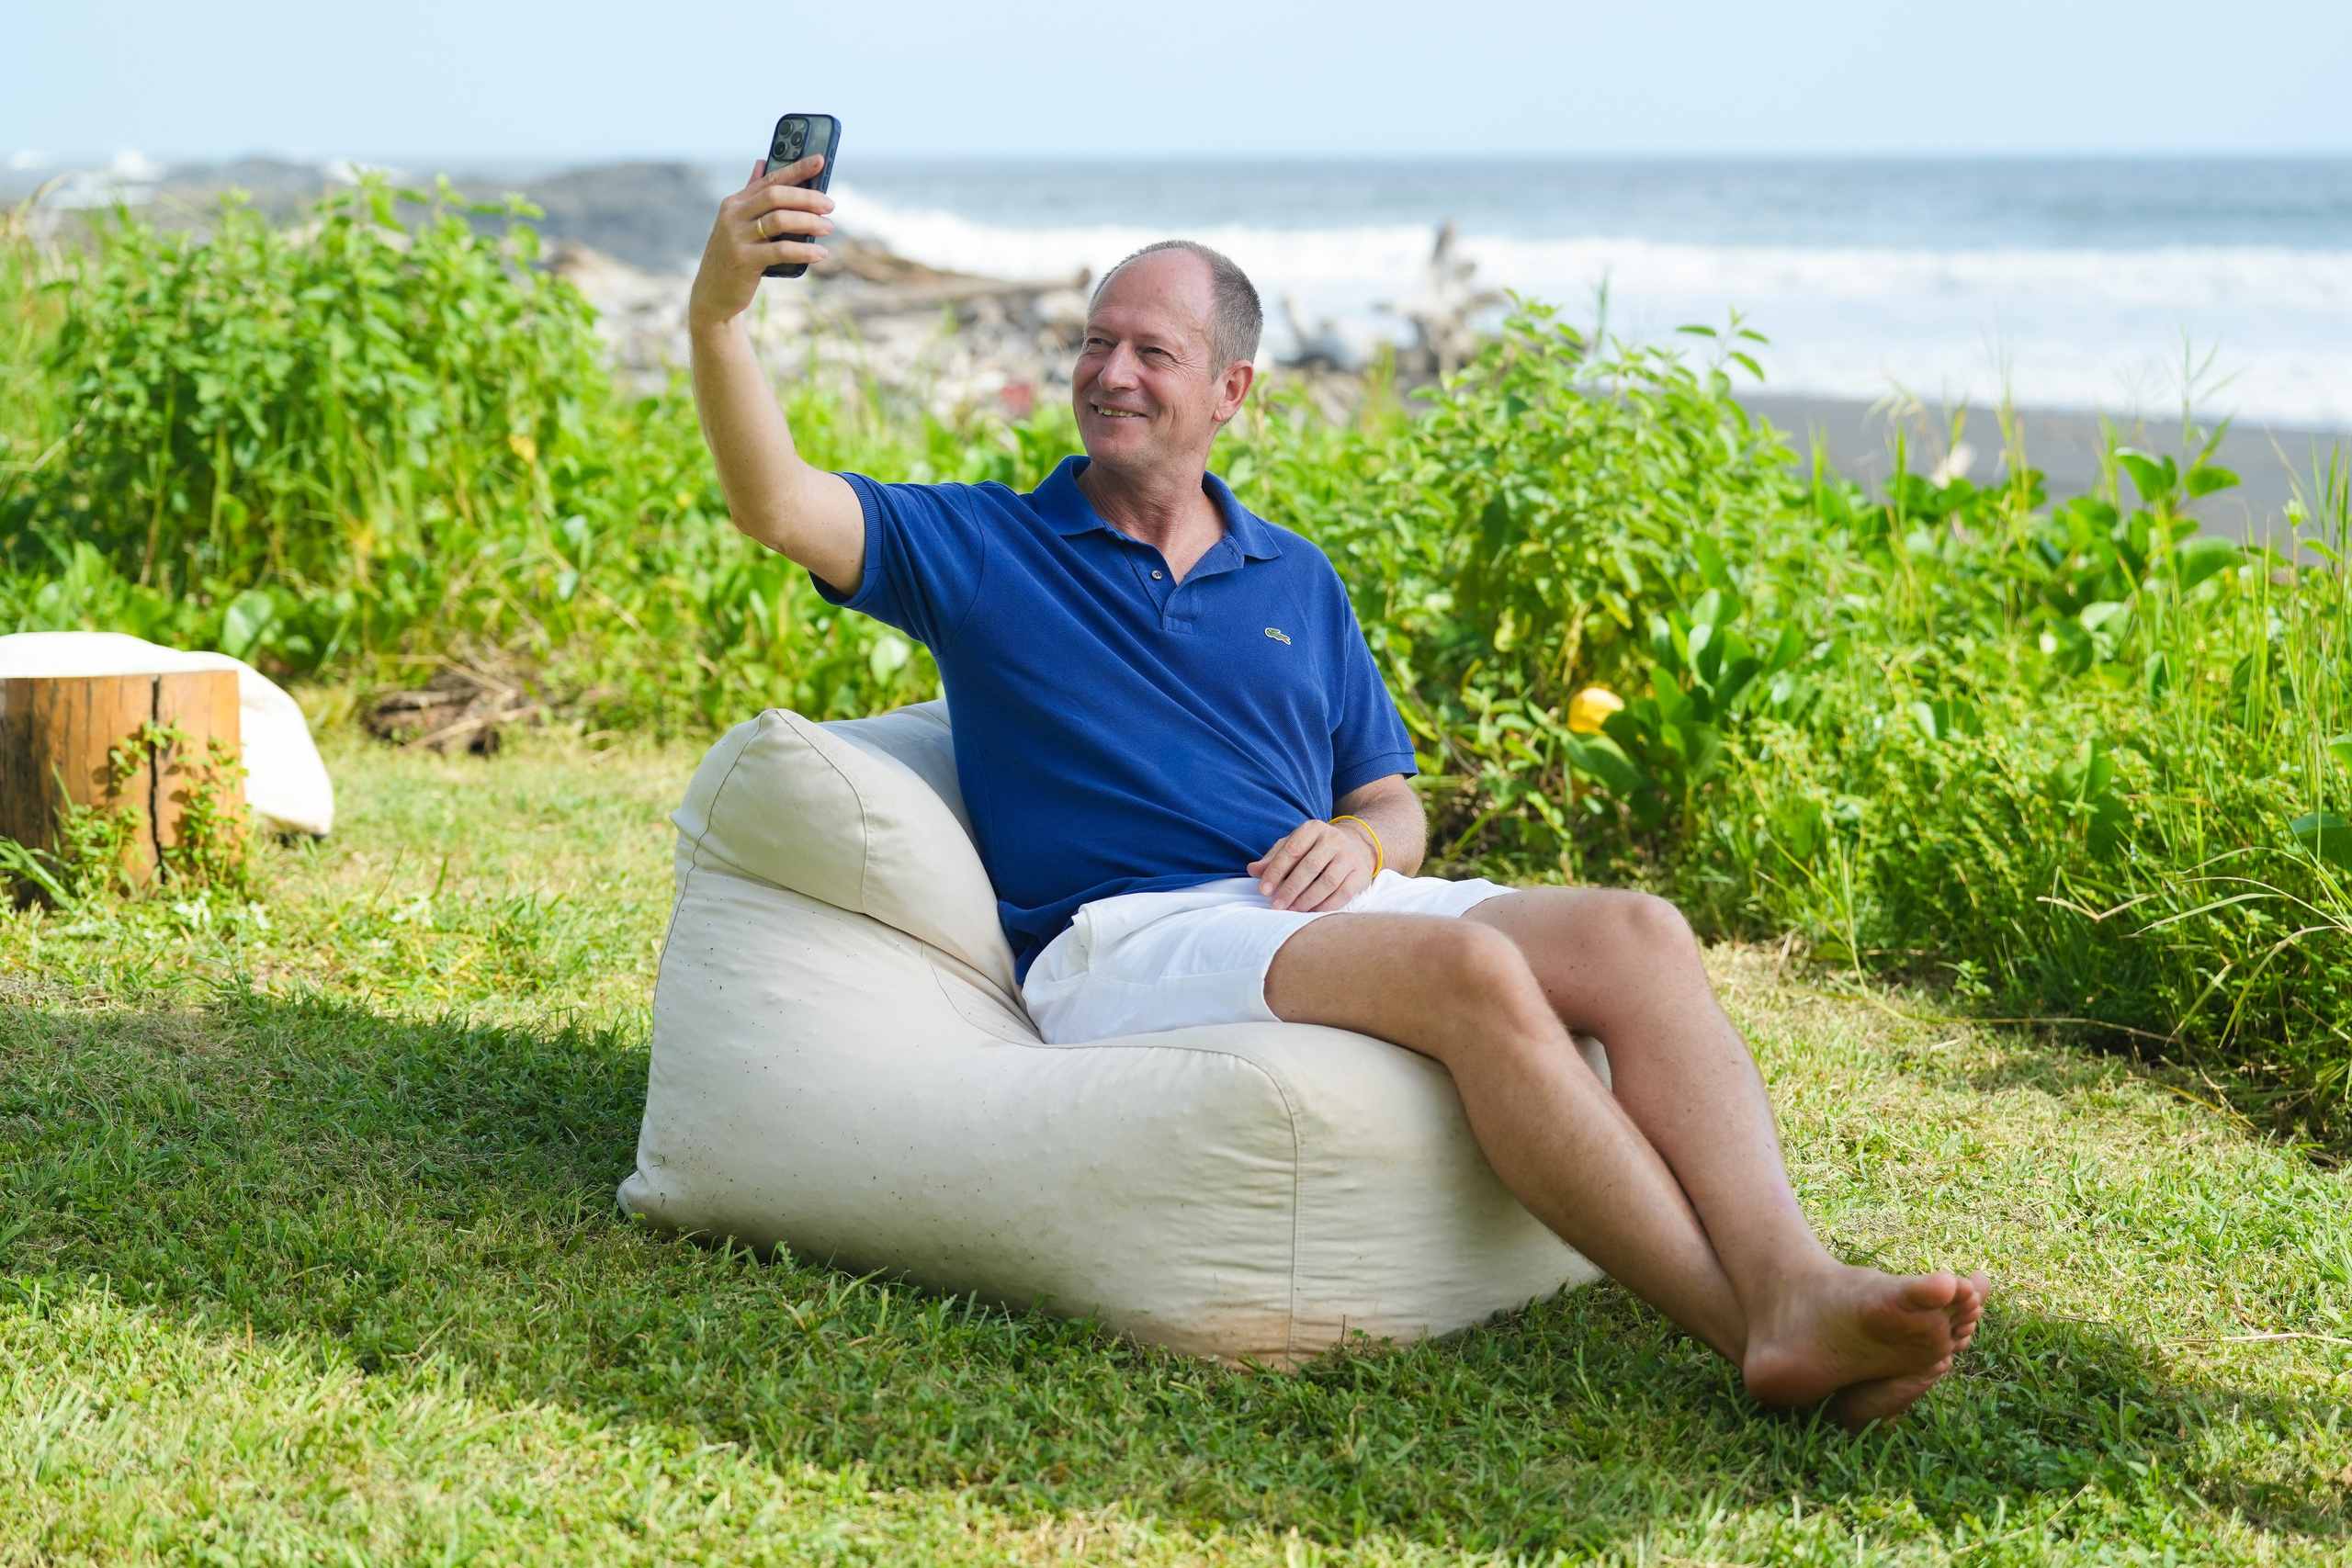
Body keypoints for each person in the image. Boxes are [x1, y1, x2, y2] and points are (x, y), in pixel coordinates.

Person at [688, 154, 1988, 1429]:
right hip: (1125, 939)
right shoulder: (985, 545)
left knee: (1636, 932)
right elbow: (777, 501)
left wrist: (1363, 848)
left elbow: (1393, 801)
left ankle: (1794, 1279)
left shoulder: (1293, 578)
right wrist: (718, 314)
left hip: (1301, 914)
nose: (1109, 372)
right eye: (1096, 342)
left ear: (1232, 390)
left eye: (1154, 352)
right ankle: (1747, 1327)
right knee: (1476, 980)